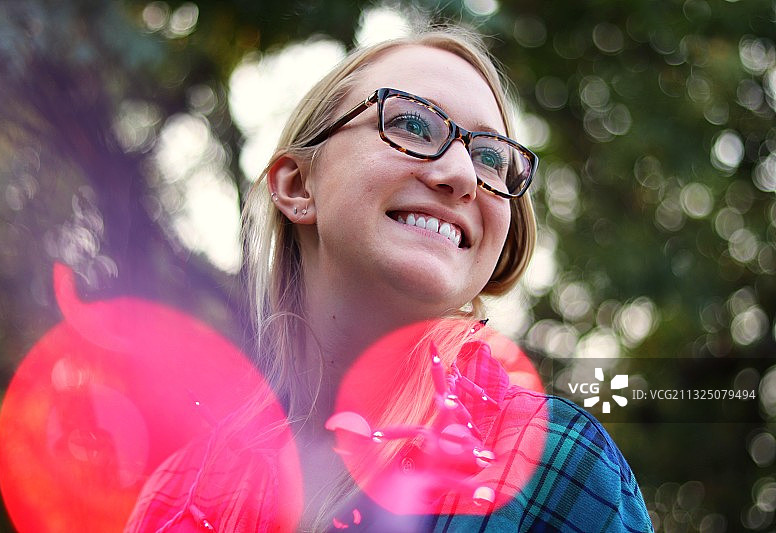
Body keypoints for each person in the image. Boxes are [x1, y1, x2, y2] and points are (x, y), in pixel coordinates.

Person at [126, 26, 653, 532]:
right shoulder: (177, 497)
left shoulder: (557, 465)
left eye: (491, 158)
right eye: (412, 125)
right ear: (297, 185)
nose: (463, 176)